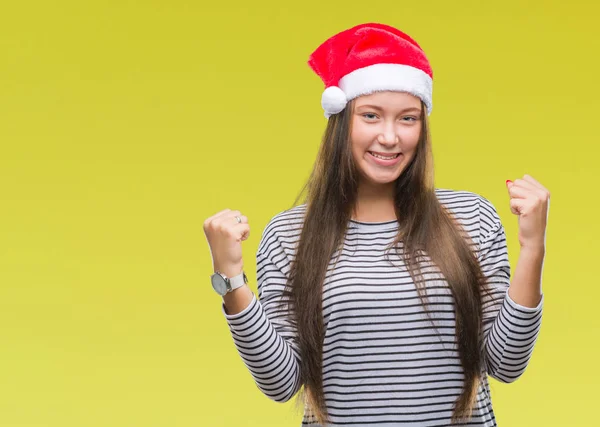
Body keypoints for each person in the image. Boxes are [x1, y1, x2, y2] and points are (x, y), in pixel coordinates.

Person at [203, 23, 549, 427]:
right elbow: (281, 383)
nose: (390, 136)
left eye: (407, 118)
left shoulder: (471, 217)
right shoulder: (289, 236)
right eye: (371, 116)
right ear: (341, 122)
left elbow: (506, 363)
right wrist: (230, 278)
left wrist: (533, 249)